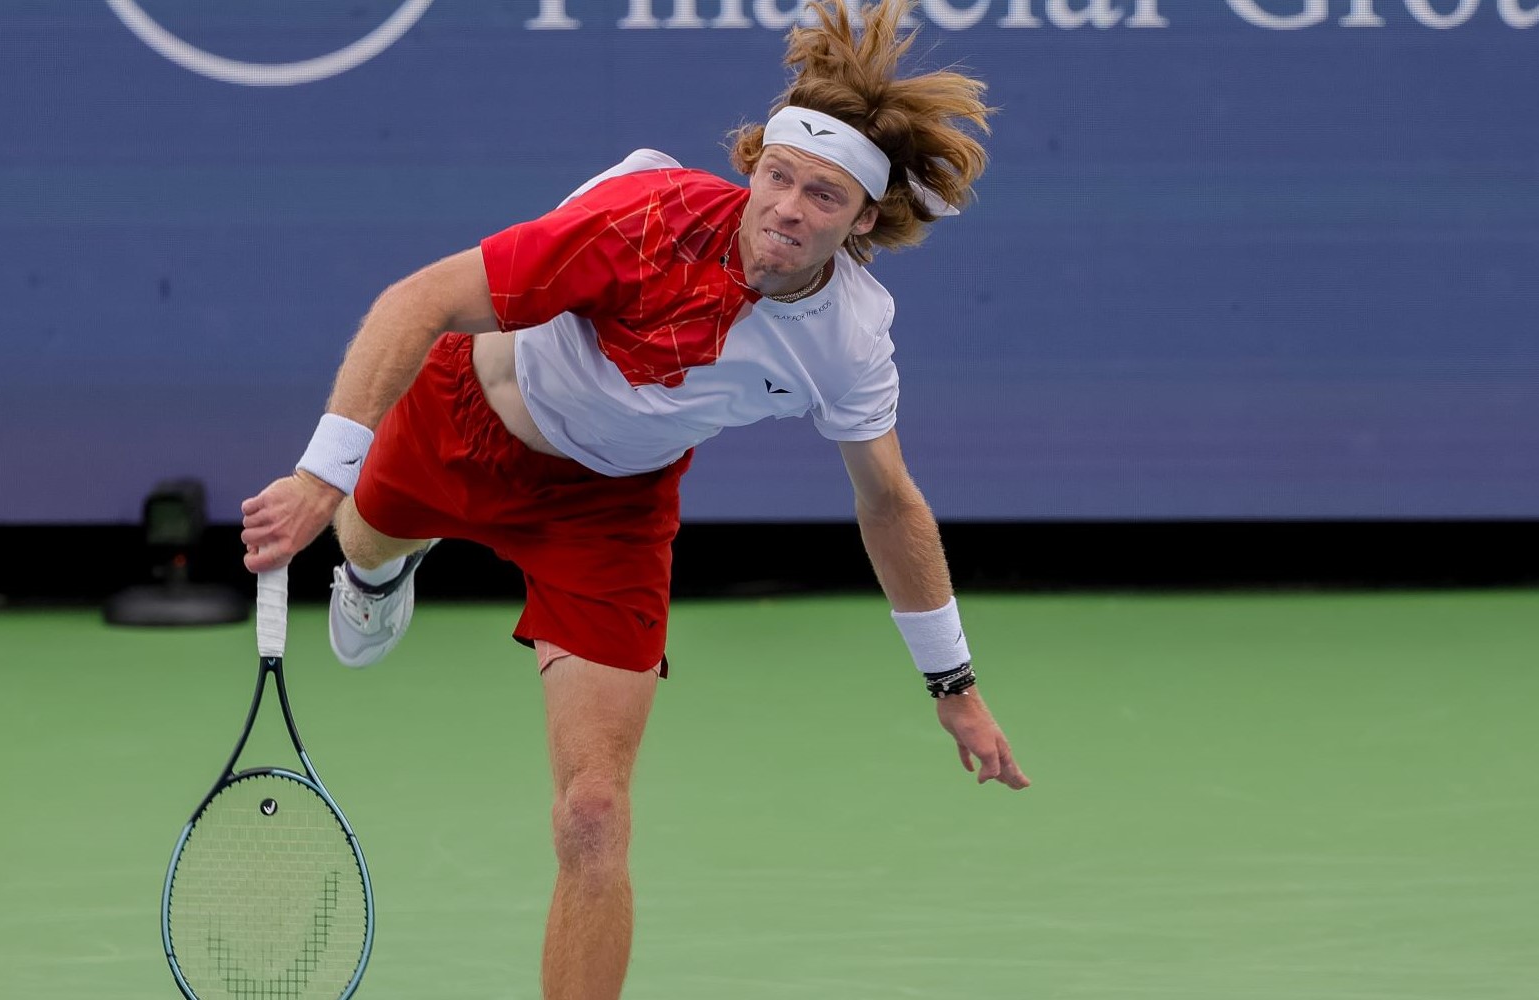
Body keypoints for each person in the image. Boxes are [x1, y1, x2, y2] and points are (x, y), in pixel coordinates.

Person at [239, 2, 1029, 996]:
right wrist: (322, 475)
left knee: (593, 814)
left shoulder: (851, 339)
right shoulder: (641, 219)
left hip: (606, 512)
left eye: (821, 195)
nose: (786, 207)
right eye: (776, 176)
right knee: (370, 538)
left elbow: (889, 504)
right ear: (753, 167)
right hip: (463, 415)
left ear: (861, 220)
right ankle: (376, 565)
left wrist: (952, 687)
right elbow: (419, 300)